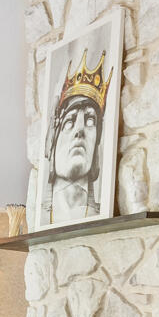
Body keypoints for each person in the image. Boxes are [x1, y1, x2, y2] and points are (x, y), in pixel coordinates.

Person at [45, 50, 111, 224]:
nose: (79, 130)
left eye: (90, 120)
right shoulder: (41, 217)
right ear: (53, 140)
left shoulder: (98, 214)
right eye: (69, 121)